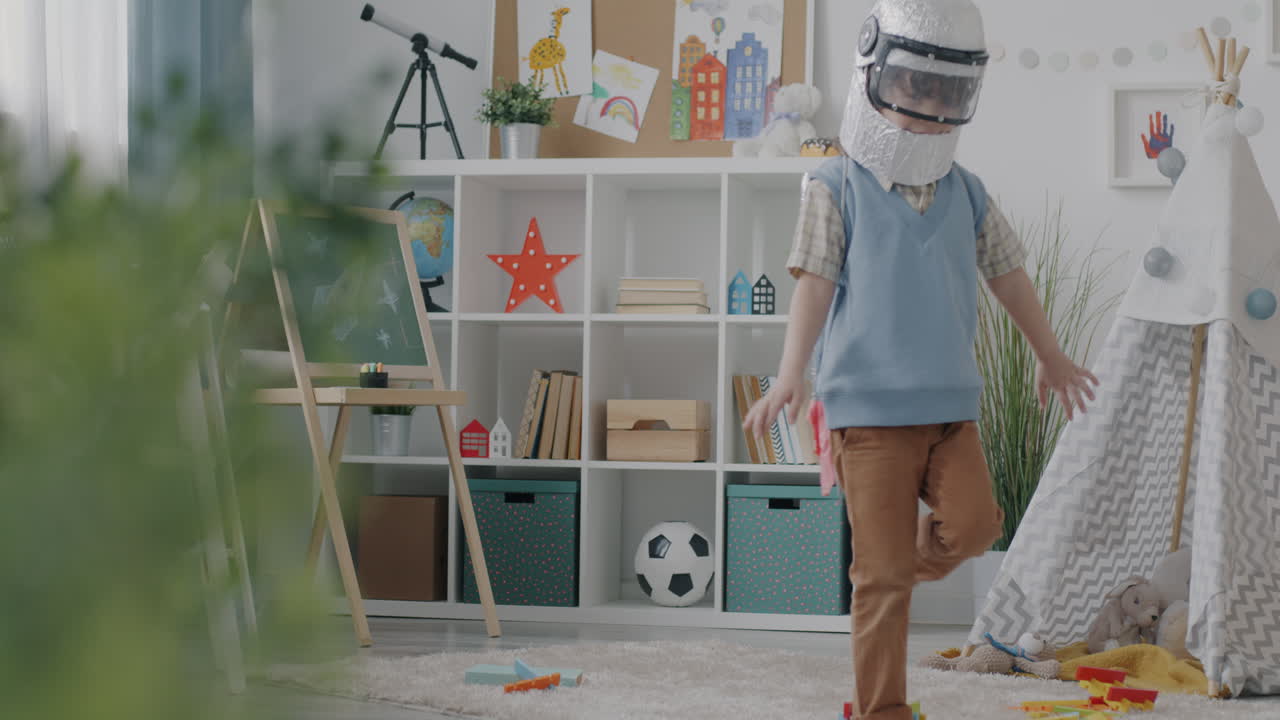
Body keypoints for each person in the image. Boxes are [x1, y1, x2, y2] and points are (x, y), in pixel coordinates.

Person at [741, 1, 1098, 719]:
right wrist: (789, 374)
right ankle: (882, 709)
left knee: (976, 526)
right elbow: (812, 286)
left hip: (950, 412)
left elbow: (1009, 276)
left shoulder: (967, 194)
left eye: (946, 95)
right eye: (912, 89)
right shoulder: (833, 187)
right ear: (874, 77)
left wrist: (1051, 355)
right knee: (880, 582)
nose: (928, 111)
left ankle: (897, 560)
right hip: (869, 418)